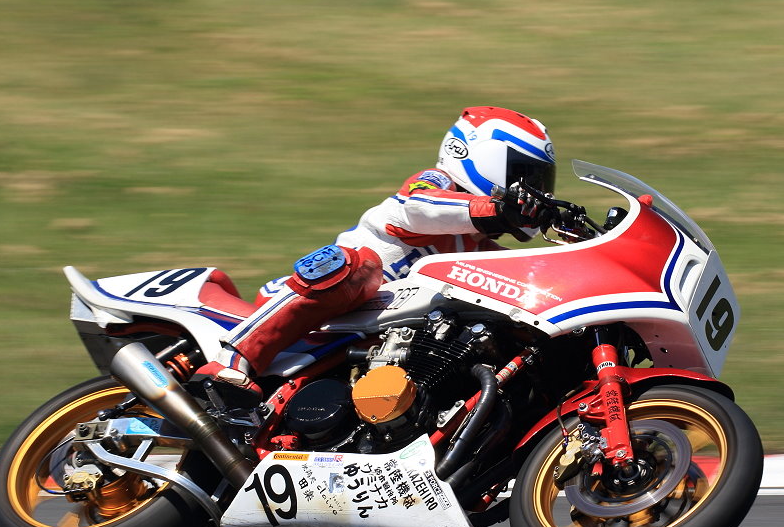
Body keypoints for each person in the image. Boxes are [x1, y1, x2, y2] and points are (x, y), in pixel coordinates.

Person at [194, 106, 558, 399]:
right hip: (315, 309)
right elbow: (418, 206)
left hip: (378, 335)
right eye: (525, 177)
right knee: (358, 268)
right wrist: (497, 208)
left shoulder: (477, 244)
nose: (534, 191)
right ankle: (232, 361)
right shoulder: (435, 184)